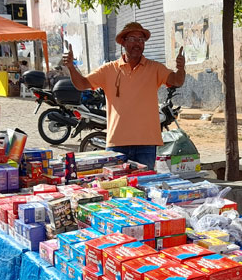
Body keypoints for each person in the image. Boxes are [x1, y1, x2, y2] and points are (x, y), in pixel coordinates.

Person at [62, 22, 186, 170]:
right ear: (123, 42)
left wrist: (180, 69)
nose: (138, 43)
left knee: (144, 187)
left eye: (141, 40)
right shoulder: (108, 69)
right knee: (116, 189)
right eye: (133, 38)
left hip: (146, 144)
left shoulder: (155, 68)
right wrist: (71, 67)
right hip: (117, 143)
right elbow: (82, 84)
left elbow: (177, 81)